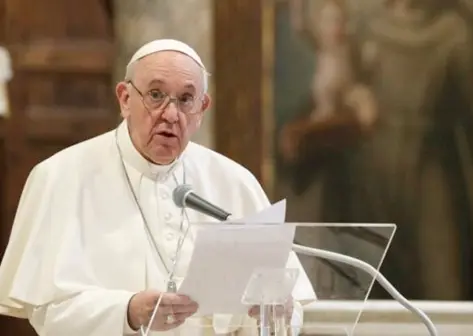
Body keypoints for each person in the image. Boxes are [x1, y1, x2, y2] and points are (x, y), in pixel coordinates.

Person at [0, 39, 316, 335]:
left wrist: (281, 313)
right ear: (124, 99)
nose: (170, 114)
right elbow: (46, 312)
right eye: (155, 95)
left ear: (202, 109)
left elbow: (286, 304)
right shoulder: (61, 176)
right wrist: (127, 312)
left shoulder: (234, 182)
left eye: (186, 99)